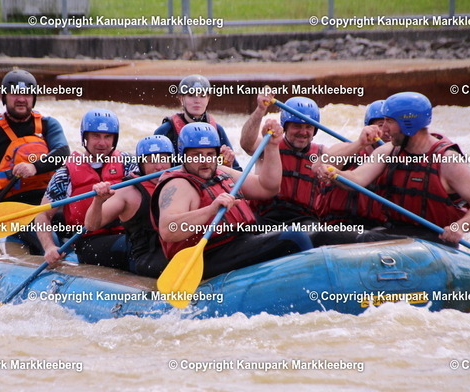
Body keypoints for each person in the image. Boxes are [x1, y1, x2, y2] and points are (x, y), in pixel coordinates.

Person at [319, 91, 470, 246]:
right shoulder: (389, 151)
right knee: (327, 237)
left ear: (409, 123)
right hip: (397, 234)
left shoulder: (448, 160)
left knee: (365, 239)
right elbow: (356, 179)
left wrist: (459, 226)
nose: (384, 130)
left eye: (389, 121)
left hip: (435, 242)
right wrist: (335, 174)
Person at [151, 122, 312, 280]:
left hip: (241, 242)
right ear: (183, 156)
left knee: (311, 235)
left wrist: (272, 146)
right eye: (197, 155)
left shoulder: (220, 171)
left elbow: (268, 187)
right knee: (294, 237)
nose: (205, 161)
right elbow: (168, 230)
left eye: (210, 154)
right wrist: (210, 210)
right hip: (207, 255)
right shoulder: (178, 185)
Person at [240, 94, 378, 226]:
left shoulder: (322, 153)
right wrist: (260, 110)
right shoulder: (269, 144)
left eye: (308, 127)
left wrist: (361, 143)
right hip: (264, 216)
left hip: (305, 221)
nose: (303, 132)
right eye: (297, 126)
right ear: (285, 127)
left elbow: (344, 157)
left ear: (315, 130)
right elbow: (246, 144)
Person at [36, 108, 135, 270]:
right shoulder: (65, 174)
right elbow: (42, 214)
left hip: (127, 234)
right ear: (85, 138)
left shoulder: (128, 164)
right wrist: (49, 247)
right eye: (96, 136)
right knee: (135, 246)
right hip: (89, 242)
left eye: (107, 137)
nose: (102, 143)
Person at [0, 69, 70, 209]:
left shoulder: (49, 124)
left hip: (48, 201)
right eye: (15, 93)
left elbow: (62, 153)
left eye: (27, 94)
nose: (21, 99)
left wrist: (34, 167)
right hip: (9, 204)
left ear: (34, 98)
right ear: (4, 97)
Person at [85, 135, 173, 277]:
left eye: (163, 159)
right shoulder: (128, 192)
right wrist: (98, 201)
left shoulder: (181, 183)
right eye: (151, 161)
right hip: (146, 259)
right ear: (141, 164)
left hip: (172, 250)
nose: (158, 166)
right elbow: (91, 225)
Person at [316, 100, 391, 225]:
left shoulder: (399, 160)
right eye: (381, 124)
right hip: (339, 224)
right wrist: (359, 144)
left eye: (391, 123)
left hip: (377, 228)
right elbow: (317, 167)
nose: (386, 130)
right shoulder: (348, 149)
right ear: (369, 126)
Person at [154, 74, 241, 171]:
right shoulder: (165, 131)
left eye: (202, 96)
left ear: (208, 99)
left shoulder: (217, 130)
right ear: (181, 99)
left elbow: (237, 170)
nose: (197, 101)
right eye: (191, 95)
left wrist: (227, 164)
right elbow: (153, 167)